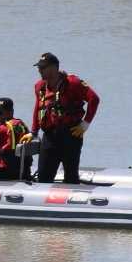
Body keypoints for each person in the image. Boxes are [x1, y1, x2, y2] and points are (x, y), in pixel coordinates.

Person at [25, 52, 100, 184]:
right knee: (43, 177)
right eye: (39, 67)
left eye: (43, 67)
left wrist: (85, 124)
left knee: (71, 177)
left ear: (54, 67)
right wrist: (34, 132)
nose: (39, 70)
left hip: (71, 135)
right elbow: (38, 108)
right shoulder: (39, 86)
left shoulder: (73, 83)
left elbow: (94, 99)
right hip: (49, 136)